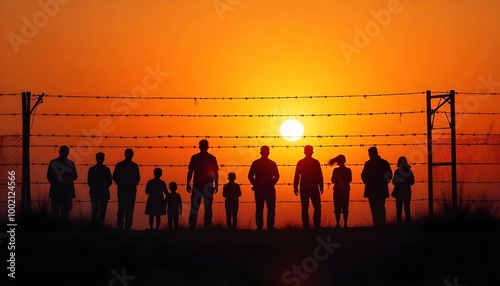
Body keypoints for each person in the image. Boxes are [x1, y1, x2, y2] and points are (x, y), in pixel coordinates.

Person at [186, 139, 219, 229]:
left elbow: (190, 171)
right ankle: (207, 224)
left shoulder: (195, 157)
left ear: (199, 147)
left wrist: (188, 183)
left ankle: (192, 224)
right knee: (207, 206)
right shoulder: (212, 158)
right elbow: (216, 172)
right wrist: (216, 184)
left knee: (195, 206)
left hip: (198, 184)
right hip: (207, 185)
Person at [248, 145, 280, 230]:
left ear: (261, 153)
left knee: (260, 208)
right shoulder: (272, 163)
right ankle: (269, 226)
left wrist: (255, 185)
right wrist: (271, 184)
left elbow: (250, 176)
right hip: (268, 189)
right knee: (269, 208)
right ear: (268, 153)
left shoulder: (256, 163)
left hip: (260, 189)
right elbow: (277, 176)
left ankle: (260, 226)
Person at [293, 145, 324, 229]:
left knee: (307, 207)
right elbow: (319, 175)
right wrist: (321, 185)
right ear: (312, 152)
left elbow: (297, 175)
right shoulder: (315, 162)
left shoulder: (301, 162)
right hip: (311, 186)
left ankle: (307, 224)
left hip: (306, 187)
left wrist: (295, 186)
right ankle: (314, 224)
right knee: (314, 206)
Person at [361, 147, 392, 227]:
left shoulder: (369, 164)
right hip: (379, 188)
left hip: (373, 188)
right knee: (379, 206)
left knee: (375, 206)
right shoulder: (384, 162)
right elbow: (389, 175)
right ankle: (380, 223)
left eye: (369, 153)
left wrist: (368, 183)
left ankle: (378, 223)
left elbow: (363, 175)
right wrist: (383, 182)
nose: (368, 155)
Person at [46, 145, 78, 221]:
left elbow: (49, 176)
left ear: (59, 152)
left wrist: (55, 183)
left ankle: (56, 228)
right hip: (67, 190)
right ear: (68, 153)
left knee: (56, 210)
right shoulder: (71, 164)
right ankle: (63, 227)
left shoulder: (53, 162)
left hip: (57, 190)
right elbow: (75, 176)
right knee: (65, 211)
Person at [113, 148, 140, 230]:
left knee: (123, 207)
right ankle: (126, 225)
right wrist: (132, 184)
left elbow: (114, 177)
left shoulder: (120, 165)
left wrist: (120, 183)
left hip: (124, 189)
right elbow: (137, 178)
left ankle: (121, 224)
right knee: (128, 208)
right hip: (128, 189)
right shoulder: (134, 166)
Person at [87, 152, 112, 228]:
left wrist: (95, 187)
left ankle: (95, 225)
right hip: (103, 192)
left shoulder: (92, 169)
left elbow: (89, 181)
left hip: (95, 192)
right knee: (101, 210)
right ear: (103, 159)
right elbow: (109, 182)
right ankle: (100, 225)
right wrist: (103, 187)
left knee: (95, 209)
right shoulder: (106, 170)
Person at [329, 154, 352, 228]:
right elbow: (349, 179)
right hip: (344, 190)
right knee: (344, 207)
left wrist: (339, 180)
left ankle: (338, 224)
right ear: (344, 161)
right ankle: (345, 224)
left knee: (338, 207)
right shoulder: (348, 170)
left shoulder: (336, 170)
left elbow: (332, 180)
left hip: (338, 190)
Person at [391, 156, 415, 224]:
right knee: (406, 209)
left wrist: (400, 180)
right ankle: (408, 223)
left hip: (399, 192)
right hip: (406, 192)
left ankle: (400, 224)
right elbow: (412, 182)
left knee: (399, 209)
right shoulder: (409, 172)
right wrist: (406, 181)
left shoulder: (397, 172)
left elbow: (393, 182)